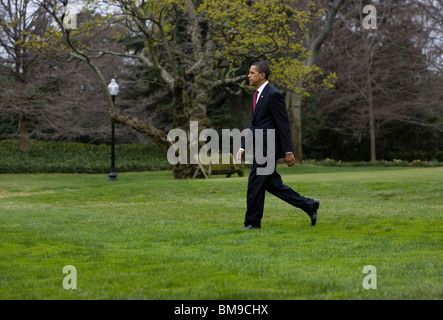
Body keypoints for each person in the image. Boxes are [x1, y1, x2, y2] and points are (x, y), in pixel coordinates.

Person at [236, 61, 320, 230]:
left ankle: (252, 223)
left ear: (262, 75)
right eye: (249, 72)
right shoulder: (257, 95)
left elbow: (283, 125)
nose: (248, 75)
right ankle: (309, 205)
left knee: (254, 183)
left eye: (252, 73)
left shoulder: (273, 94)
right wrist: (243, 146)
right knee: (271, 184)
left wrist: (289, 151)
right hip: (260, 147)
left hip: (268, 149)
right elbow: (253, 125)